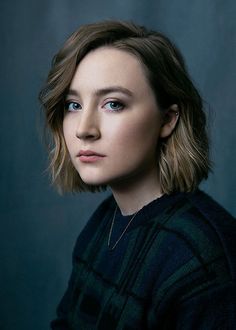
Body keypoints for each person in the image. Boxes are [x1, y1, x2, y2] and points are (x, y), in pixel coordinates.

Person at [39, 20, 236, 329]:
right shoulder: (104, 222)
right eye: (73, 105)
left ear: (168, 119)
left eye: (113, 104)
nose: (84, 129)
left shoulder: (201, 257)